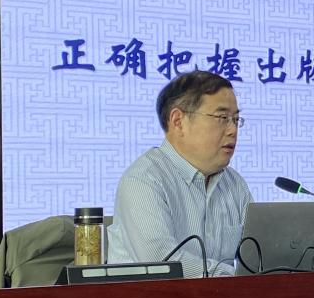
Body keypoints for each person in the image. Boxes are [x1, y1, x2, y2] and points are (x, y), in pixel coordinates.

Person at [108, 71, 252, 277]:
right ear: (178, 121)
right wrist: (236, 277)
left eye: (236, 119)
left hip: (224, 297)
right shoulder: (143, 180)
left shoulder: (235, 184)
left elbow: (258, 256)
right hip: (154, 297)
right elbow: (162, 263)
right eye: (222, 118)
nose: (233, 130)